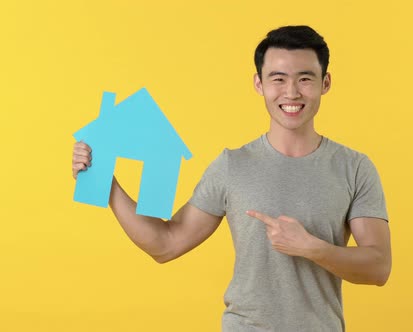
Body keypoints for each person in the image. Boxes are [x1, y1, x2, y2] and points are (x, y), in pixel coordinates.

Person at [72, 25, 391, 332]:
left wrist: (312, 247)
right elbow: (165, 245)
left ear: (325, 82)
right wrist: (107, 184)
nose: (291, 92)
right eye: (277, 79)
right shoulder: (231, 165)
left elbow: (378, 267)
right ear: (259, 84)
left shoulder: (355, 167)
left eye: (305, 78)